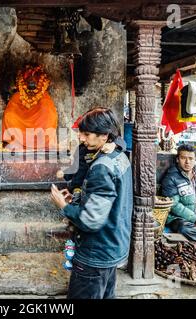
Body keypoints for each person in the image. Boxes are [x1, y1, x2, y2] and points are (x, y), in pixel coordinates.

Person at [50, 107, 133, 299]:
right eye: (81, 133)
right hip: (114, 245)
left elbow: (90, 220)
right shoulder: (119, 155)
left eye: (86, 134)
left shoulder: (101, 168)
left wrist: (64, 205)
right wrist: (79, 198)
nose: (81, 138)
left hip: (96, 253)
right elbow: (106, 200)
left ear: (104, 136)